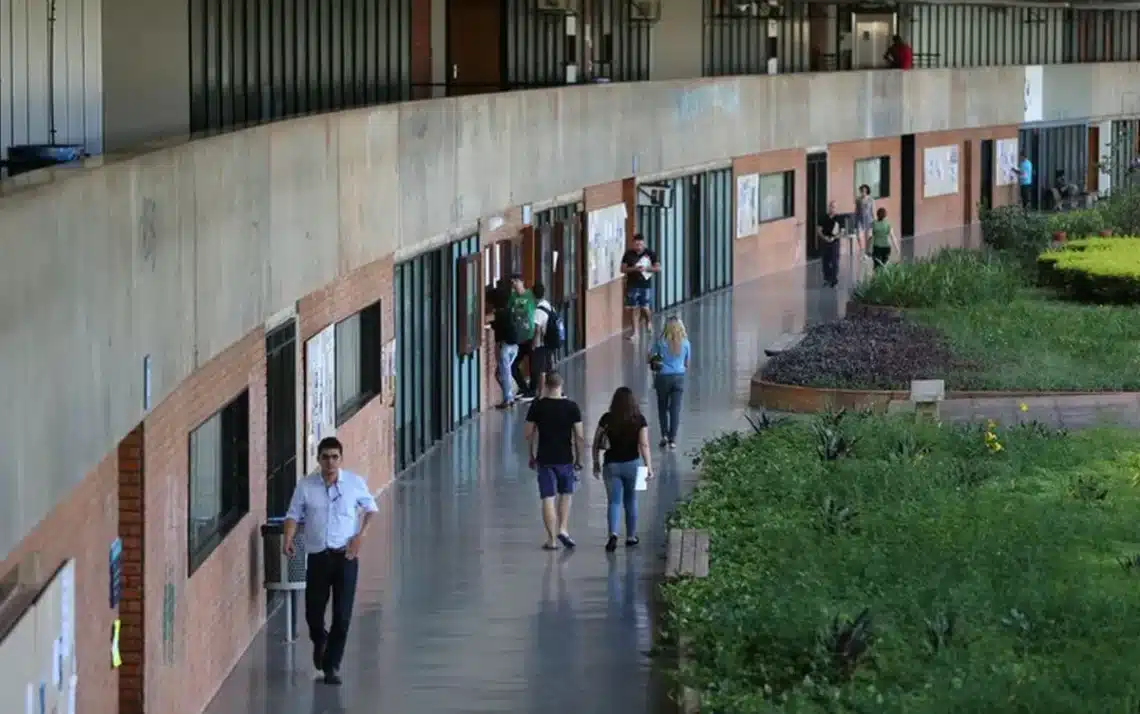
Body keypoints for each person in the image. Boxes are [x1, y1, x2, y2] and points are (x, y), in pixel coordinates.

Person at [283, 436, 378, 686]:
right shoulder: (306, 486)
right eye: (325, 457)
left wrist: (360, 536)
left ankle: (332, 666)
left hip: (346, 557)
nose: (330, 462)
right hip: (318, 557)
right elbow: (293, 515)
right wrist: (288, 539)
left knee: (342, 614)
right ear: (318, 459)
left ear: (341, 459)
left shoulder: (354, 484)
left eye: (335, 457)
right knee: (313, 612)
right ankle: (320, 639)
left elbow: (370, 509)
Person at [524, 372, 585, 549]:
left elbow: (528, 434)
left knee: (547, 497)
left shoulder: (537, 406)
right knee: (566, 494)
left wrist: (531, 455)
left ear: (546, 385)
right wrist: (579, 458)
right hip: (565, 458)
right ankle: (563, 529)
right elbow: (579, 436)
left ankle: (551, 540)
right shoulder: (572, 407)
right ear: (561, 385)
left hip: (545, 458)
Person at [592, 386, 654, 551]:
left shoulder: (606, 418)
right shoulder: (640, 419)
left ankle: (613, 534)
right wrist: (649, 466)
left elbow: (596, 442)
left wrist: (595, 463)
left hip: (611, 465)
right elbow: (644, 445)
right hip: (635, 464)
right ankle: (631, 536)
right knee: (632, 501)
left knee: (614, 502)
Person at [648, 316, 691, 450]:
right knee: (675, 409)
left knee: (662, 407)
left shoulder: (661, 342)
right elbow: (687, 363)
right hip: (679, 377)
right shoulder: (685, 343)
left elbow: (649, 357)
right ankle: (673, 439)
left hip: (662, 377)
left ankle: (664, 435)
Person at [620, 234, 661, 341]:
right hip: (632, 284)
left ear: (644, 244)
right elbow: (623, 269)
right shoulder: (628, 254)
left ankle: (648, 321)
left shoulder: (650, 253)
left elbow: (658, 268)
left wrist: (647, 268)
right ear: (633, 244)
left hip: (645, 285)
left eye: (640, 244)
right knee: (634, 308)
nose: (638, 247)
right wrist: (634, 269)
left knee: (645, 307)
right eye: (636, 244)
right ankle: (635, 333)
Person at [507, 274, 537, 400]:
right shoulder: (512, 297)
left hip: (530, 335)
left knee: (533, 365)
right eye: (512, 282)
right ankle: (523, 388)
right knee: (513, 365)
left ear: (522, 282)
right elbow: (509, 312)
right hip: (518, 338)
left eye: (516, 282)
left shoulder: (530, 295)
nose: (514, 285)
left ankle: (532, 391)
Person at [491, 284, 520, 409]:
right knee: (502, 373)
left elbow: (492, 324)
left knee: (504, 373)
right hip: (514, 346)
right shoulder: (509, 310)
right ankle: (510, 396)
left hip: (506, 347)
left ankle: (508, 399)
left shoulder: (500, 314)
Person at [530, 283, 558, 397]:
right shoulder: (548, 305)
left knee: (541, 369)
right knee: (548, 366)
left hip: (542, 343)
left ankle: (541, 394)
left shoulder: (539, 310)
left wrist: (534, 343)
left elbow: (537, 328)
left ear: (533, 295)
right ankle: (553, 390)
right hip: (550, 341)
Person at [817, 201, 842, 288]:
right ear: (829, 207)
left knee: (835, 261)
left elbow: (842, 231)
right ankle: (827, 279)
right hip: (825, 241)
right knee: (825, 261)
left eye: (834, 207)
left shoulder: (839, 218)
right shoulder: (823, 217)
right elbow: (819, 230)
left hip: (835, 242)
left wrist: (834, 238)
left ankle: (834, 279)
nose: (832, 208)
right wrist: (824, 238)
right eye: (831, 207)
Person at [855, 184, 875, 253]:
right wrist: (855, 220)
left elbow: (873, 211)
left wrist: (875, 221)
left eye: (864, 191)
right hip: (860, 220)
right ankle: (862, 249)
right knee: (858, 236)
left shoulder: (871, 199)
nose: (863, 192)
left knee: (868, 237)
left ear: (867, 191)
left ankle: (867, 252)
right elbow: (856, 211)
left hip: (869, 220)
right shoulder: (858, 199)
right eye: (862, 191)